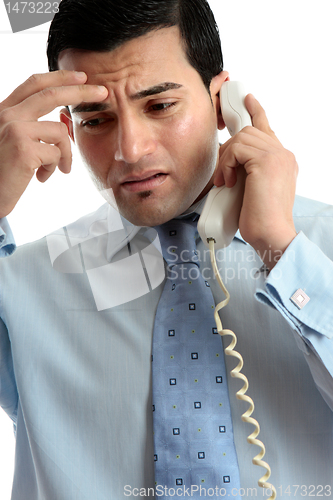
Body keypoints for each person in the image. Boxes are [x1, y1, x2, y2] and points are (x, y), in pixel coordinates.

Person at [0, 0, 332, 498]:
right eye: (96, 118)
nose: (129, 150)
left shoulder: (318, 246)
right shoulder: (24, 280)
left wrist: (280, 250)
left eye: (159, 106)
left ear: (224, 104)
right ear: (66, 126)